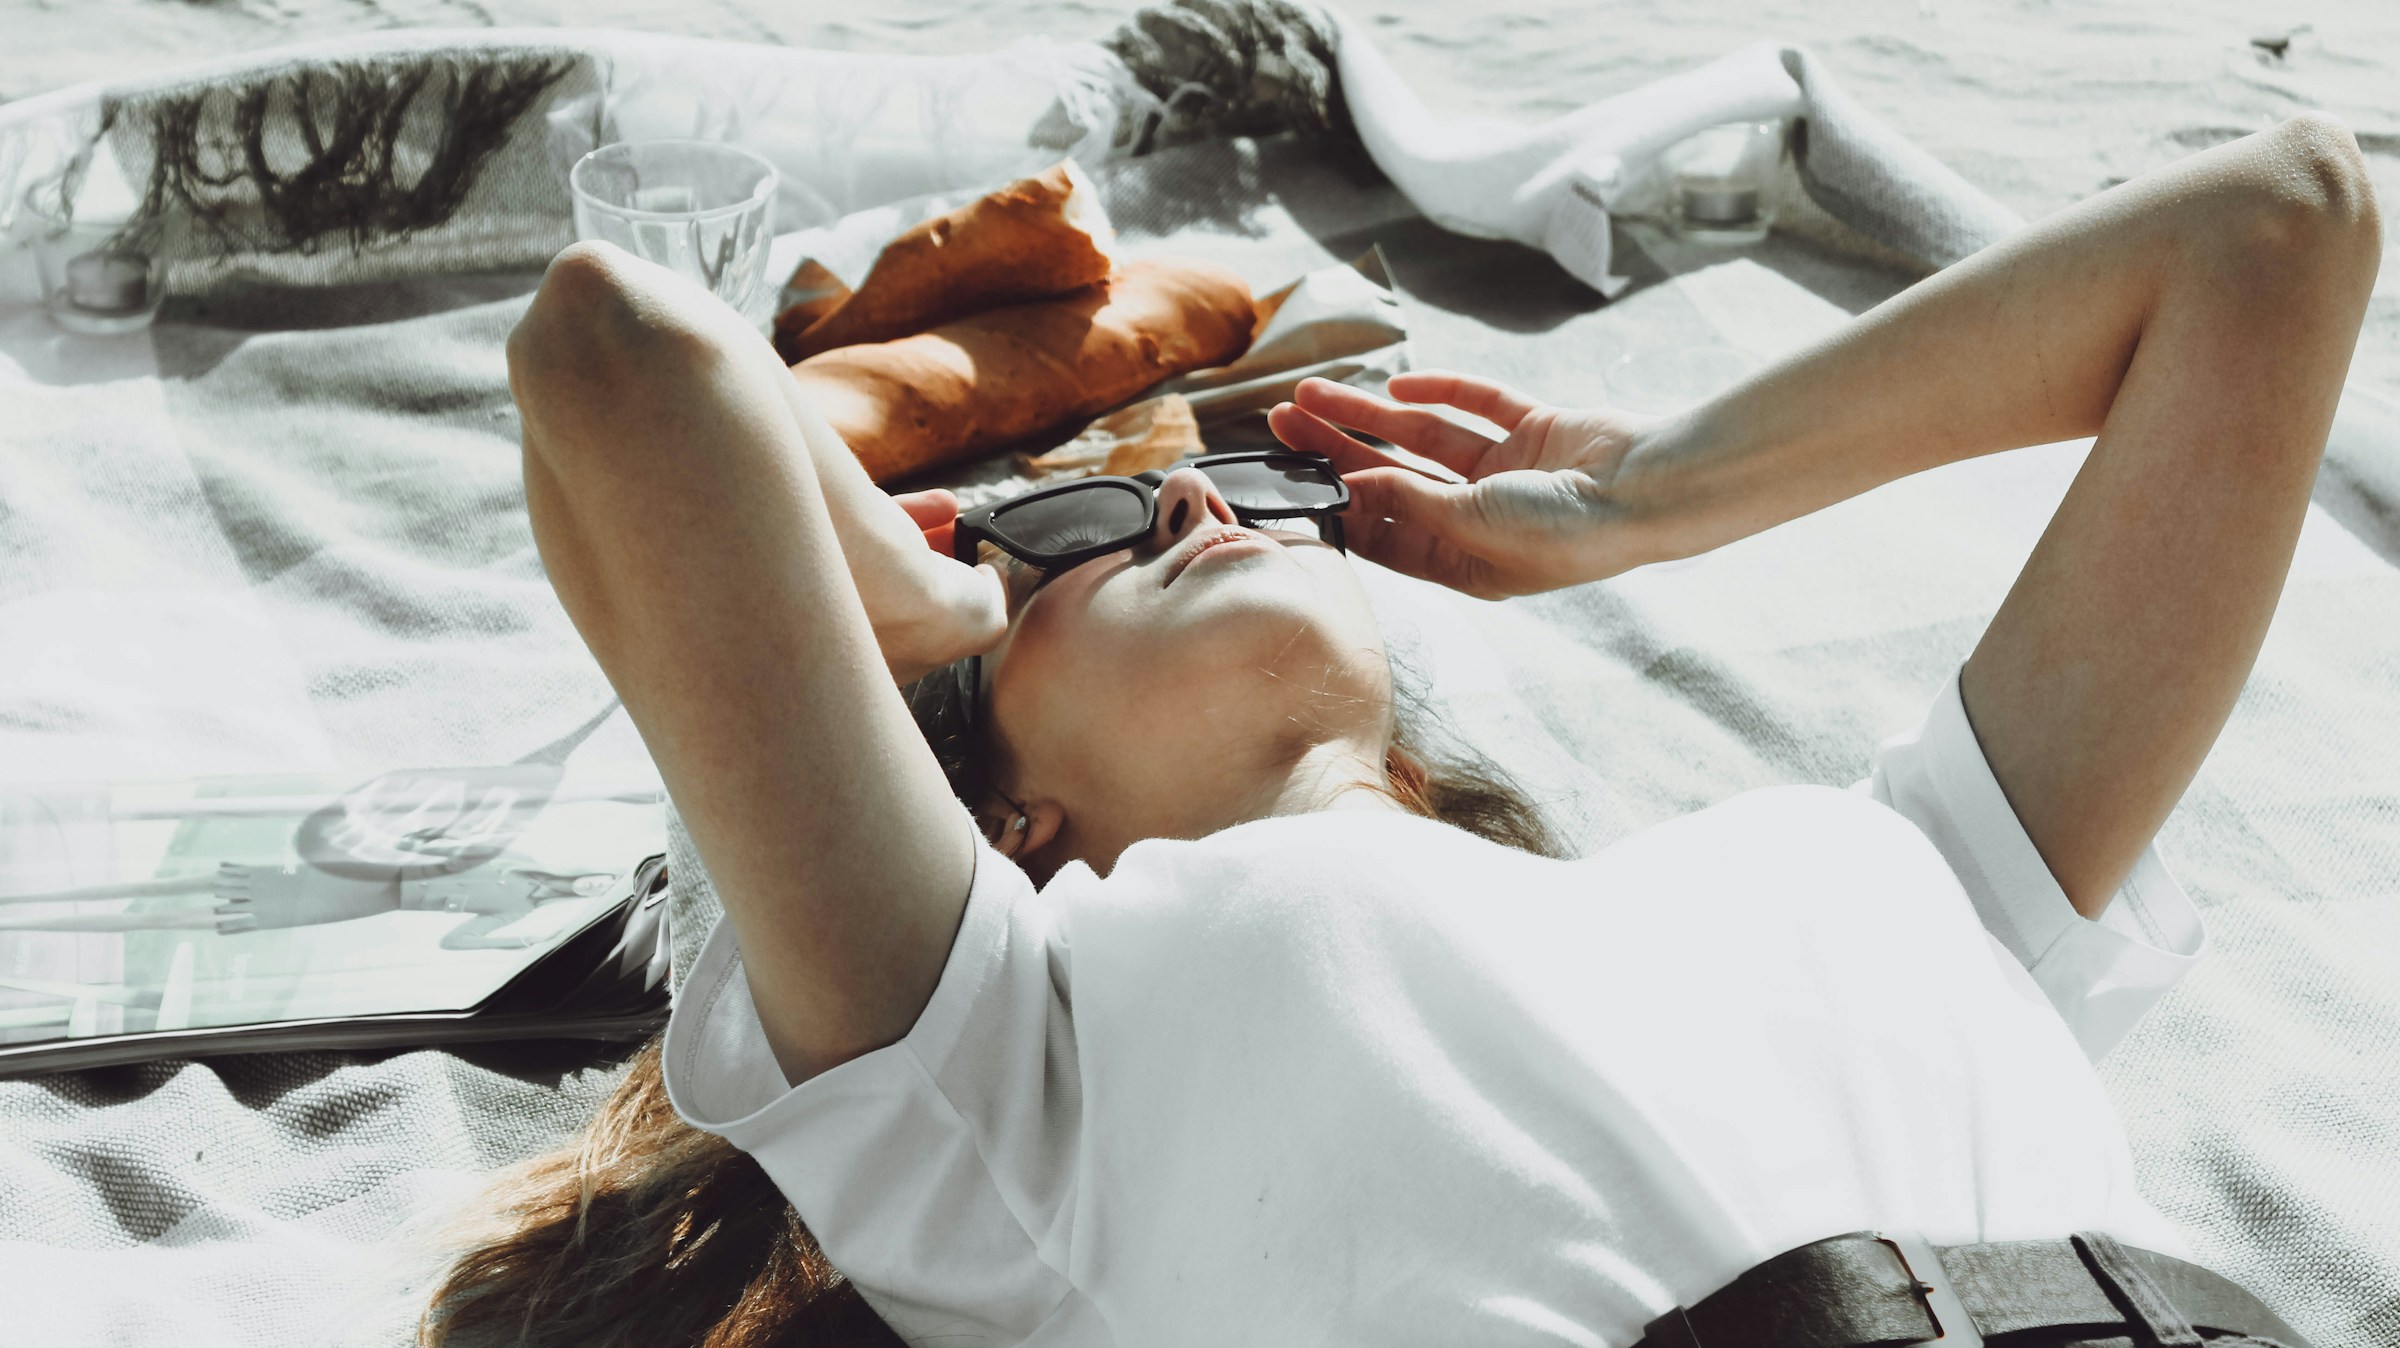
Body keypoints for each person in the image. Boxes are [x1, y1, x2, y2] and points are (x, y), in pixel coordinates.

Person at [418, 113, 2378, 1348]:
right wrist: (933, 587)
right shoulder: (1003, 1050)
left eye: (1226, 494)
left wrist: (1653, 492)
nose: (1195, 499)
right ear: (1005, 812)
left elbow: (2278, 227)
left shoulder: (1869, 861)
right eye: (1087, 538)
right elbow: (617, 355)